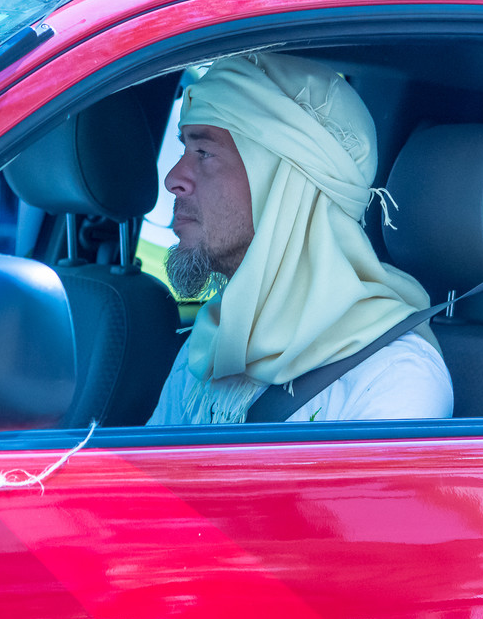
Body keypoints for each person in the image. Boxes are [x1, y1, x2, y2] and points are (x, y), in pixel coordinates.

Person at [147, 53, 453, 425]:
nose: (173, 179)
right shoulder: (212, 341)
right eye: (184, 149)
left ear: (284, 182)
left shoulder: (392, 377)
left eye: (204, 152)